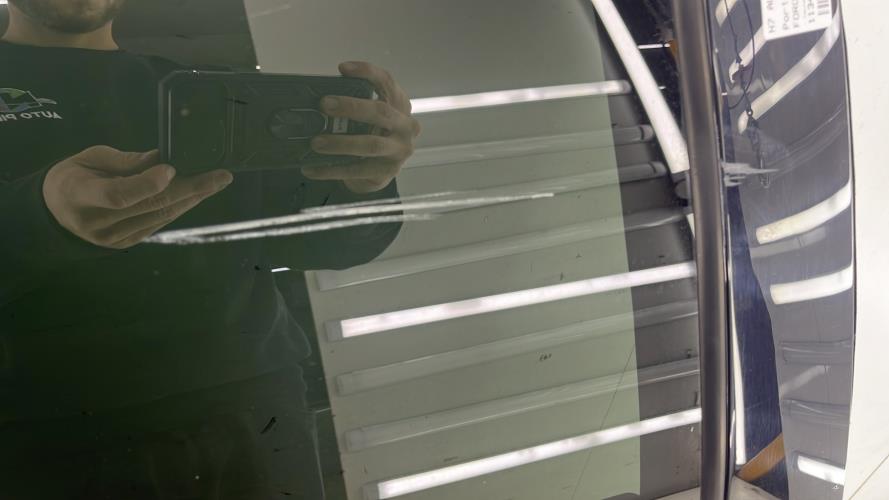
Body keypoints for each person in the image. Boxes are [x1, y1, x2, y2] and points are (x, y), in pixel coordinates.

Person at [0, 0, 420, 498]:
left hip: (255, 414)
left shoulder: (207, 90)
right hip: (47, 436)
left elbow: (326, 244)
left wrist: (366, 184)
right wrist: (37, 218)